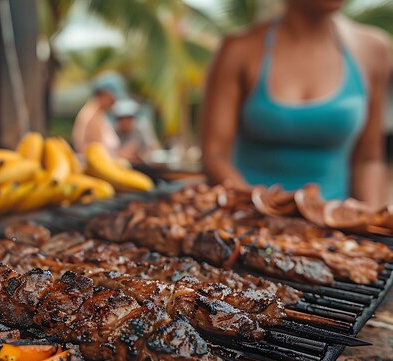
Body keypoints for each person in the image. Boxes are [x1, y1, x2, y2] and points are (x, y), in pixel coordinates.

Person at [200, 0, 391, 206]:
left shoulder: (372, 50)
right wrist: (257, 209)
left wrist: (368, 220)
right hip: (249, 221)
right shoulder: (239, 50)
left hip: (334, 227)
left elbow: (368, 158)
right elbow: (215, 155)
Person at [72, 73, 123, 155]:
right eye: (112, 99)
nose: (113, 103)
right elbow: (95, 149)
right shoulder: (92, 115)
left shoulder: (100, 114)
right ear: (102, 94)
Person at [113, 99, 160, 165]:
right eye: (121, 119)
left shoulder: (142, 128)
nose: (125, 122)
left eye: (128, 118)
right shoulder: (114, 131)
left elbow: (152, 147)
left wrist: (141, 157)